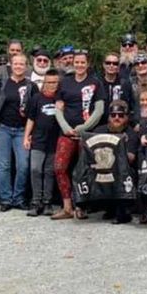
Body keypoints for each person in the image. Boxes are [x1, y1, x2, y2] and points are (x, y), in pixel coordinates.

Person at [52, 50, 106, 220]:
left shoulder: (95, 82)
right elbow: (58, 107)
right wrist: (66, 127)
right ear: (73, 63)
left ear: (87, 64)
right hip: (66, 132)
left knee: (84, 170)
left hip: (87, 133)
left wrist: (83, 127)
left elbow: (99, 110)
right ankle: (67, 206)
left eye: (83, 62)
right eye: (77, 62)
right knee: (60, 168)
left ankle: (82, 206)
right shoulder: (65, 82)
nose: (80, 65)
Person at [0, 54, 37, 211]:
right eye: (15, 64)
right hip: (3, 128)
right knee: (4, 166)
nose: (18, 67)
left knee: (23, 165)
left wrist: (31, 132)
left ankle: (19, 197)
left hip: (22, 130)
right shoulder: (1, 83)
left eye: (21, 64)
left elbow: (35, 111)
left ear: (26, 66)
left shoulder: (31, 86)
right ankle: (6, 199)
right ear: (11, 65)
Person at [92, 100, 140, 224]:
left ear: (127, 117)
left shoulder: (131, 134)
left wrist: (120, 146)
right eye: (113, 115)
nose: (116, 118)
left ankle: (122, 212)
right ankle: (83, 207)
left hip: (124, 170)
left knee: (122, 173)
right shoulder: (98, 131)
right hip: (102, 166)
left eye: (120, 115)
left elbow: (131, 158)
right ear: (109, 117)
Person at [24, 69, 61, 217]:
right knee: (35, 169)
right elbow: (30, 119)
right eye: (48, 82)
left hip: (54, 141)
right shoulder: (36, 98)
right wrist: (26, 136)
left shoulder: (60, 99)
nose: (51, 85)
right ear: (44, 83)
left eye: (54, 83)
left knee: (49, 171)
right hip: (38, 139)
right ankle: (36, 201)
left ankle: (47, 202)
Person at [100, 52, 134, 125]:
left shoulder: (125, 84)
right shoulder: (97, 84)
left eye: (115, 63)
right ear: (103, 65)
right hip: (101, 124)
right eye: (108, 63)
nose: (111, 65)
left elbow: (131, 106)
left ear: (118, 67)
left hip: (121, 123)